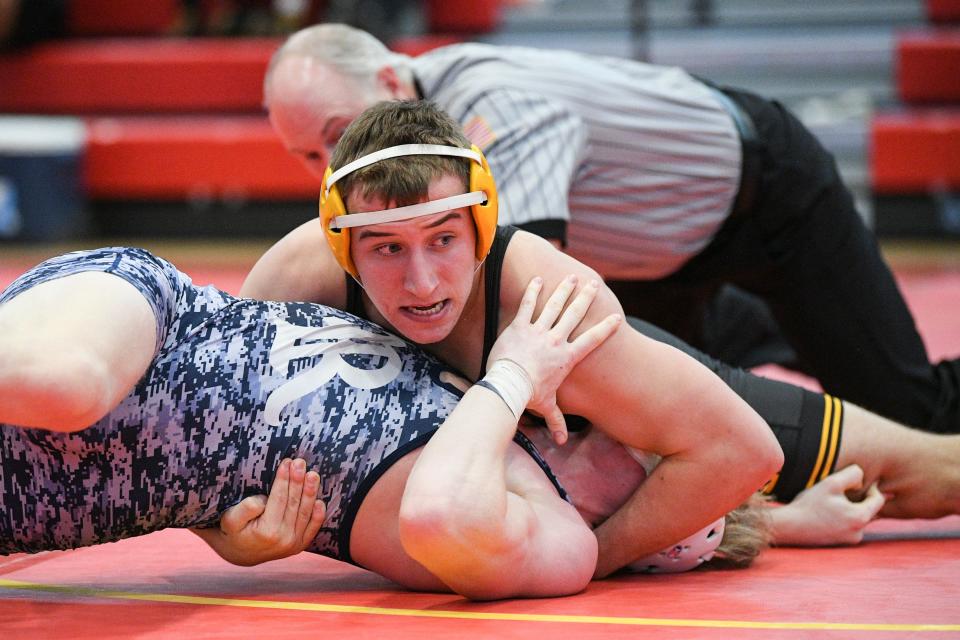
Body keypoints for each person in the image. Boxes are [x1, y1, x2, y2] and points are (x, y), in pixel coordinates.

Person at [254, 23, 960, 435]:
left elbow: (523, 316)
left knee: (903, 410)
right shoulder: (426, 127)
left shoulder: (494, 112)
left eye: (337, 136)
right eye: (308, 158)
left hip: (770, 196)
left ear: (388, 79)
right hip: (654, 256)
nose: (331, 168)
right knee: (635, 421)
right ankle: (756, 340)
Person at [0, 245, 637, 599]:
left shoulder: (560, 542)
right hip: (156, 319)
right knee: (66, 384)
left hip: (76, 490)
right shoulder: (504, 393)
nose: (636, 432)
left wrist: (220, 535)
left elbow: (437, 515)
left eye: (654, 453)